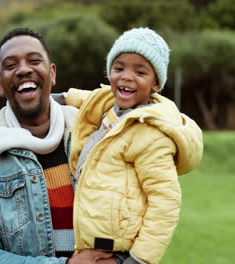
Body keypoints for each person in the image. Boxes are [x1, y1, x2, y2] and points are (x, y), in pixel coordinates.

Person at [0, 27, 114, 264]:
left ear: (52, 73)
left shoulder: (97, 138)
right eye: (11, 65)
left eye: (34, 60)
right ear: (0, 85)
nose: (23, 69)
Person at [65, 28, 203, 264]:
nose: (126, 76)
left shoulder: (150, 132)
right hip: (86, 245)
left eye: (140, 71)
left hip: (117, 252)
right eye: (119, 68)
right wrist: (53, 98)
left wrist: (138, 260)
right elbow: (86, 98)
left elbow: (165, 202)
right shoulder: (108, 104)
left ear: (155, 84)